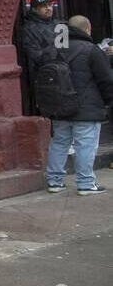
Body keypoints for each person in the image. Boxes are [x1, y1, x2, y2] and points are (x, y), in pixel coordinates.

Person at [46, 15, 113, 195]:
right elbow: (106, 80)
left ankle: (54, 181)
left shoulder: (55, 49)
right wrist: (106, 102)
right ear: (88, 28)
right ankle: (85, 183)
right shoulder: (92, 50)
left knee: (59, 143)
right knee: (85, 145)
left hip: (60, 107)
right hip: (87, 108)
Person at [16, 0, 57, 113]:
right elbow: (35, 55)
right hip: (44, 77)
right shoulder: (29, 29)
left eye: (50, 5)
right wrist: (54, 52)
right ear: (35, 9)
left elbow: (67, 50)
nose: (49, 8)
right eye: (44, 6)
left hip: (64, 75)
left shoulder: (60, 25)